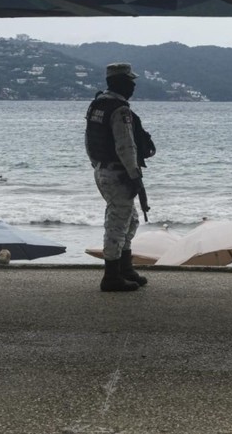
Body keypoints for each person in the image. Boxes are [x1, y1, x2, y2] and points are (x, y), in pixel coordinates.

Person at [85, 62, 156, 292]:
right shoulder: (119, 110)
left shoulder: (97, 105)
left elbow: (89, 141)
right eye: (130, 82)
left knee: (130, 219)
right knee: (117, 224)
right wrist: (135, 176)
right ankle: (111, 276)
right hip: (118, 172)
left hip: (102, 169)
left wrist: (97, 165)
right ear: (120, 83)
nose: (133, 87)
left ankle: (125, 269)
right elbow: (126, 146)